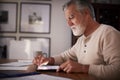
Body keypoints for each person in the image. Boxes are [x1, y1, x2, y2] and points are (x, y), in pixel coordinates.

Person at [33, 0, 120, 79]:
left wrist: (83, 68)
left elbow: (117, 71)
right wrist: (48, 60)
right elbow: (64, 57)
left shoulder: (108, 33)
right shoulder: (81, 40)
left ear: (86, 13)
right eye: (67, 20)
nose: (69, 24)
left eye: (71, 17)